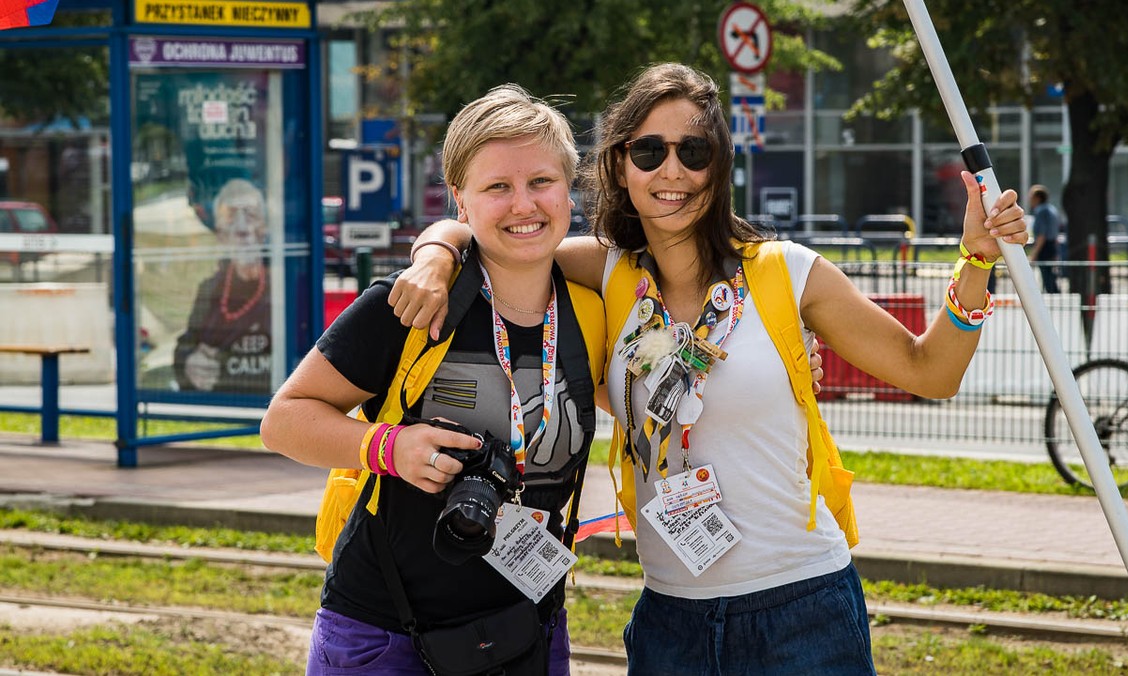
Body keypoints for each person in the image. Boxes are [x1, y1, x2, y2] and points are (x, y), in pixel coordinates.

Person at [391, 63, 1027, 675]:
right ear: (618, 162)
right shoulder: (609, 272)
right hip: (670, 621)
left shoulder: (787, 272)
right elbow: (503, 228)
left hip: (802, 611)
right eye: (649, 152)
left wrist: (974, 258)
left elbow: (930, 372)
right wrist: (437, 253)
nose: (673, 171)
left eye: (694, 152)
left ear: (719, 165)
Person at [261, 85, 605, 675]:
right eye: (498, 186)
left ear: (568, 190)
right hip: (385, 633)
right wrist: (388, 447)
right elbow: (283, 420)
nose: (524, 204)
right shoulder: (412, 304)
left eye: (542, 182)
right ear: (460, 203)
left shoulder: (594, 311)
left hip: (530, 627)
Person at [174, 178, 272, 393]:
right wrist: (190, 363)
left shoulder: (282, 289)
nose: (242, 228)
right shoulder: (210, 289)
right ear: (220, 235)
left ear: (263, 230)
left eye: (251, 215)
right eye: (231, 217)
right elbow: (187, 343)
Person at [1027, 183, 1062, 293]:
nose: (1029, 200)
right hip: (1052, 246)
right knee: (1051, 277)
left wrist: (1034, 254)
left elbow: (1041, 235)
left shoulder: (1041, 211)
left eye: (1031, 197)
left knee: (1047, 278)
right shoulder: (1052, 210)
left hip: (1044, 247)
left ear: (1037, 198)